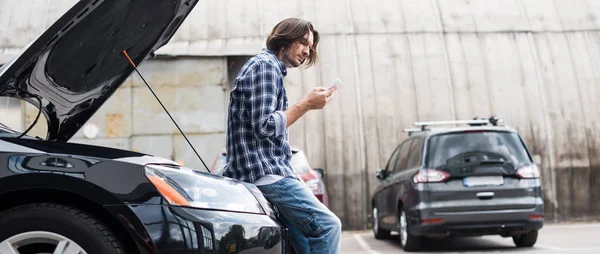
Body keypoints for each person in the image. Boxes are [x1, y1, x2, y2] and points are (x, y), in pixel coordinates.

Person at [222, 18, 342, 253]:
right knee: (328, 226)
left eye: (311, 47)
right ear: (284, 40)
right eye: (304, 43)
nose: (308, 51)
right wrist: (307, 104)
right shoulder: (265, 67)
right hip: (265, 174)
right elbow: (264, 126)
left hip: (267, 173)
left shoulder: (268, 69)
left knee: (306, 243)